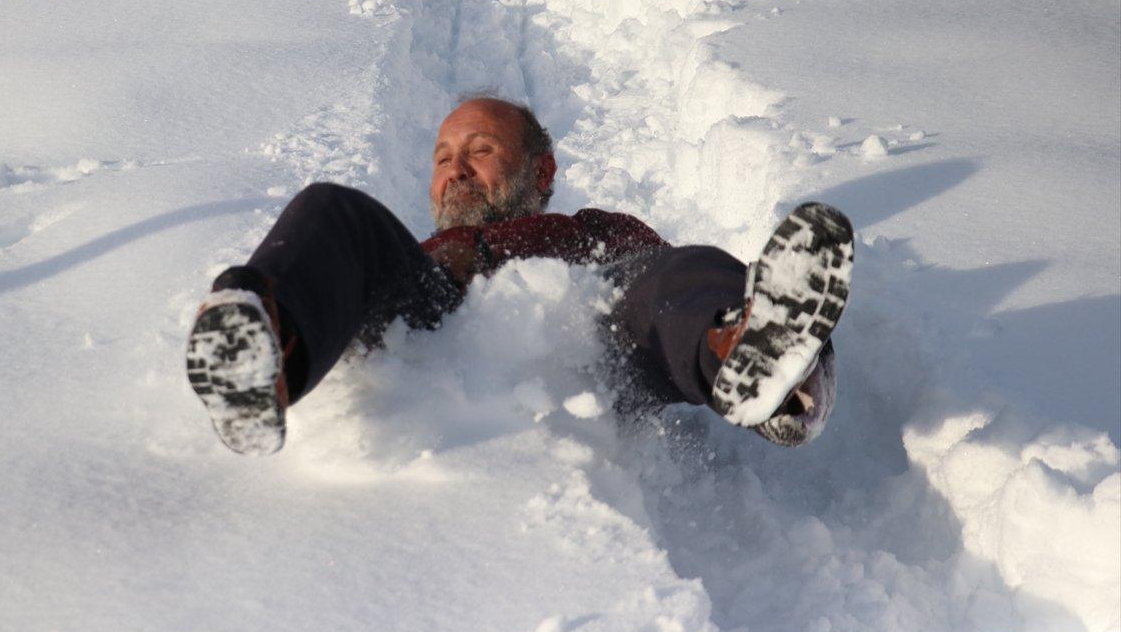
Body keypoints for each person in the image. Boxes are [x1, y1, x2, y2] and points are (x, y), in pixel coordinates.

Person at [186, 98, 853, 455]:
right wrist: (449, 260)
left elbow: (661, 282)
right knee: (332, 210)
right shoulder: (414, 256)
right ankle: (262, 350)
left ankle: (755, 359)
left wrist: (485, 254)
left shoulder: (590, 232)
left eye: (481, 150)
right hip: (433, 318)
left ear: (541, 173)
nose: (456, 169)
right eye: (444, 157)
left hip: (584, 339)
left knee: (683, 268)